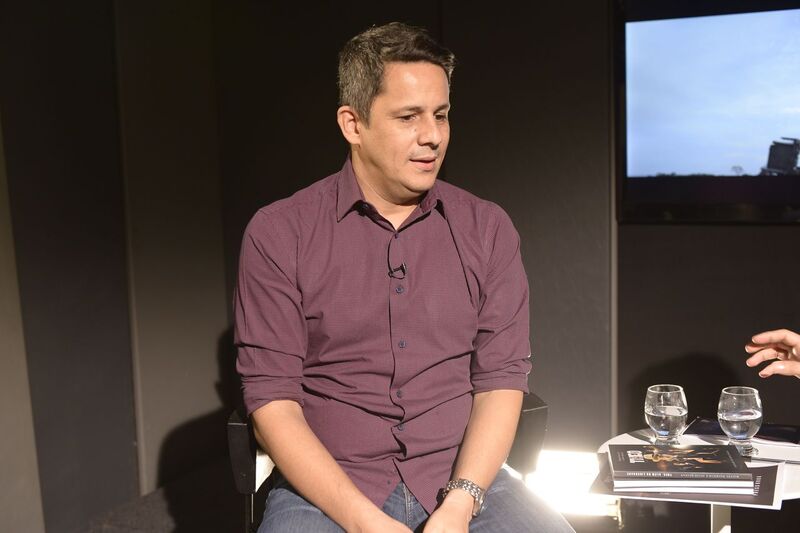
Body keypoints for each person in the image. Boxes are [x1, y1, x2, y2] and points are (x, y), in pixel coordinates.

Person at [234, 22, 573, 533]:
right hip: (329, 487)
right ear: (353, 124)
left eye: (441, 115)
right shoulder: (280, 232)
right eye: (408, 117)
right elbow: (271, 402)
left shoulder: (486, 228)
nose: (432, 136)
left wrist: (461, 501)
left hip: (462, 478)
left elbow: (501, 381)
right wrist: (363, 522)